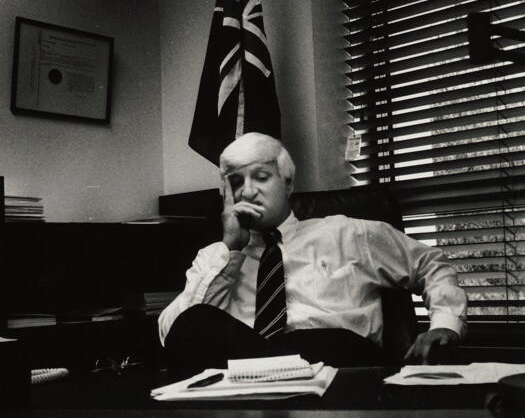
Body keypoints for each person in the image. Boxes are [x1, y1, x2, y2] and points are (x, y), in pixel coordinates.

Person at [159, 133, 467, 379]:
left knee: (321, 340)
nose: (248, 191)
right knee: (195, 322)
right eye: (236, 182)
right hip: (245, 384)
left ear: (288, 182)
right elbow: (174, 333)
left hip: (340, 370)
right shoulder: (217, 256)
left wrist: (445, 323)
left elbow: (430, 264)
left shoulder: (347, 233)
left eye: (261, 176)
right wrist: (230, 249)